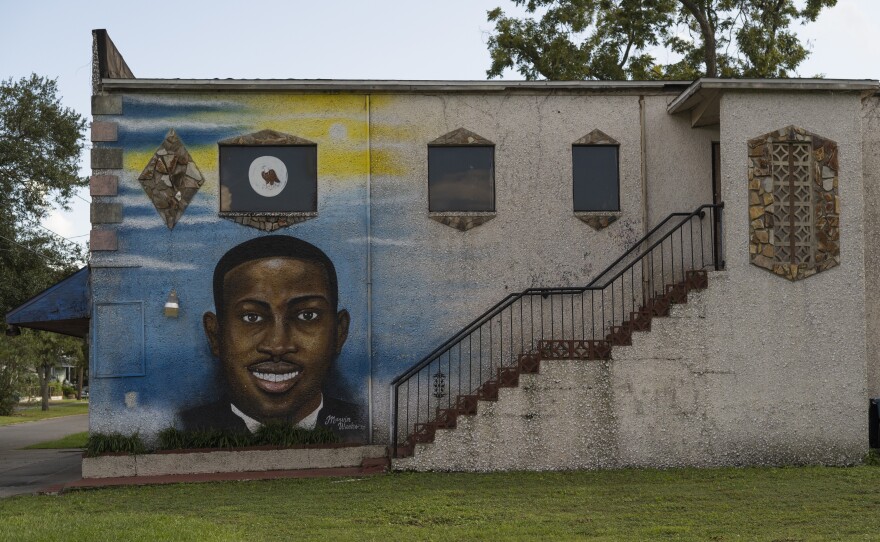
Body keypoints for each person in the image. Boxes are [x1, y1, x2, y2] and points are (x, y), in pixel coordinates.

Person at [180, 235, 364, 440]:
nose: (278, 345)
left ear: (339, 333)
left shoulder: (365, 422)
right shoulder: (183, 428)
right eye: (252, 317)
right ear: (215, 335)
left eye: (307, 315)